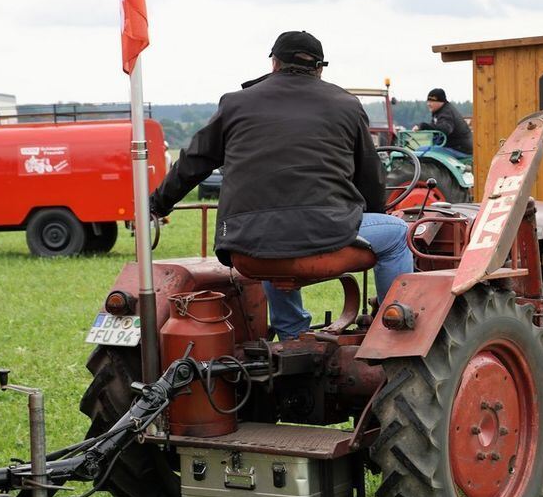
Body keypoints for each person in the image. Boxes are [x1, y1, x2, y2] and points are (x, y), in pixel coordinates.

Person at [149, 30, 413, 340]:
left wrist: (157, 204)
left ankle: (291, 338)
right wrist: (373, 212)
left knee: (273, 232)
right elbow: (370, 177)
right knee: (397, 235)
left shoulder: (235, 103)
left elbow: (192, 163)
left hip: (246, 248)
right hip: (321, 239)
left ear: (274, 63)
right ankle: (394, 333)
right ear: (320, 68)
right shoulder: (346, 104)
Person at [415, 88, 473, 156]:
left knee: (420, 151)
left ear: (440, 101)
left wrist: (424, 126)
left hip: (459, 149)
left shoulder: (446, 112)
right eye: (428, 101)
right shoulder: (439, 111)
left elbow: (445, 128)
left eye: (431, 101)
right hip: (457, 147)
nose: (428, 104)